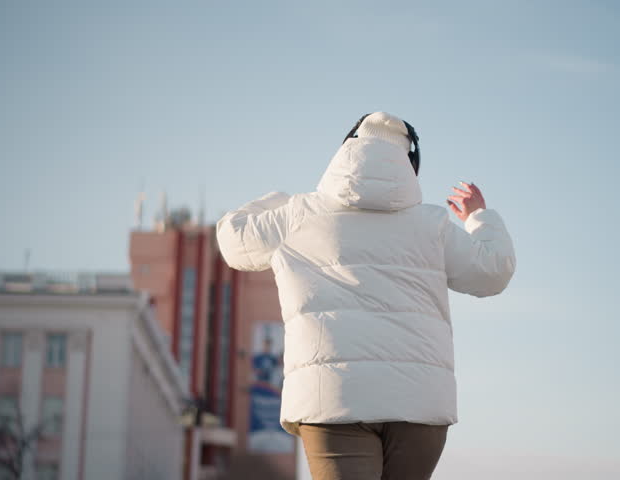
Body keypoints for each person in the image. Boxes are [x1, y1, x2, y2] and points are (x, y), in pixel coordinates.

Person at [217, 112, 515, 480]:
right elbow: (493, 271)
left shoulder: (296, 214)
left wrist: (275, 202)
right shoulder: (433, 225)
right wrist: (478, 217)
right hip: (419, 404)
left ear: (345, 152)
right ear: (410, 166)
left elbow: (233, 241)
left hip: (332, 399)